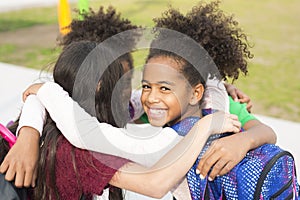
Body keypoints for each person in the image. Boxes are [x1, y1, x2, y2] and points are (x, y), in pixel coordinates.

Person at [1, 2, 274, 199]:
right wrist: (30, 129)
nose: (149, 95)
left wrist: (239, 135)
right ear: (100, 88)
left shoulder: (218, 104)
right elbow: (155, 183)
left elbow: (264, 131)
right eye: (139, 84)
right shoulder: (85, 142)